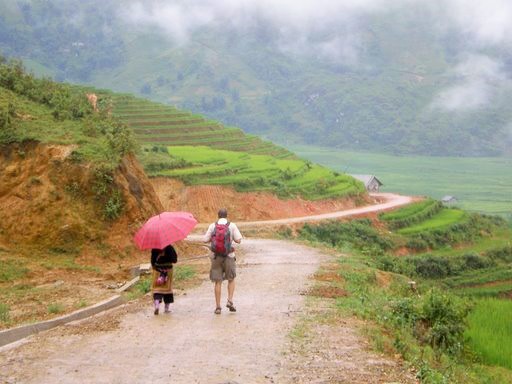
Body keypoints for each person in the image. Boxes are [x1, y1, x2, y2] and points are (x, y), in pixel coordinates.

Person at [203, 208, 243, 314]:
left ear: (218, 215)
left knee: (218, 281)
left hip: (216, 257)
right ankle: (230, 301)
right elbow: (238, 240)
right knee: (231, 278)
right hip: (229, 256)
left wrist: (213, 239)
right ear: (226, 215)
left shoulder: (212, 226)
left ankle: (218, 307)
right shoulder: (232, 226)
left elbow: (205, 240)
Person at [150, 245, 178, 315]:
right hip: (168, 271)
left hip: (157, 270)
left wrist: (155, 265)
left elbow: (152, 261)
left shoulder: (154, 248)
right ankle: (166, 309)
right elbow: (174, 260)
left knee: (157, 288)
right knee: (167, 290)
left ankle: (157, 305)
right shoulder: (170, 247)